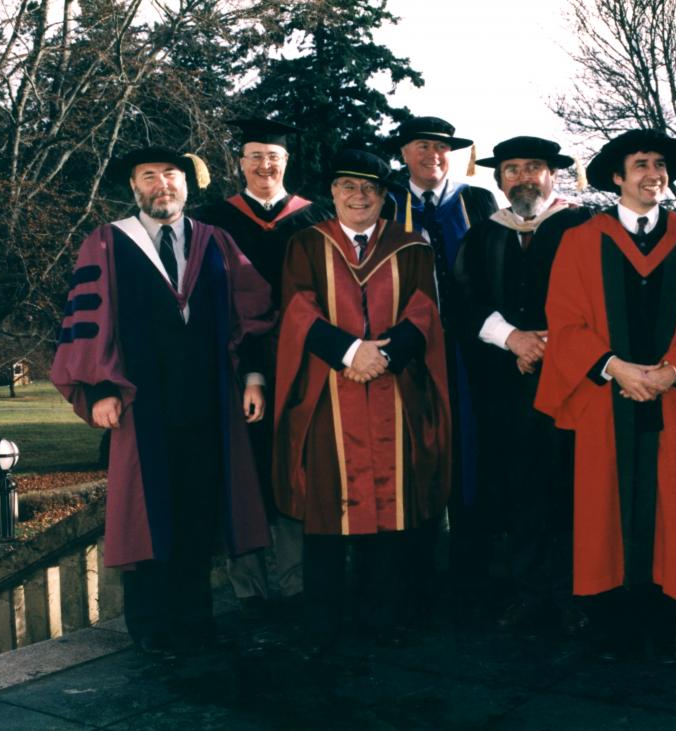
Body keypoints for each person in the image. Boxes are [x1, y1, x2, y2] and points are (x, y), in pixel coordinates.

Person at [51, 146, 272, 658]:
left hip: (208, 405)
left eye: (170, 175)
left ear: (187, 185)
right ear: (134, 188)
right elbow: (85, 321)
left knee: (199, 512)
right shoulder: (107, 243)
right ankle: (150, 627)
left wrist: (254, 378)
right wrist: (102, 389)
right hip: (141, 407)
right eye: (148, 176)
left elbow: (254, 314)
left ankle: (195, 621)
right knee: (147, 514)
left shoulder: (217, 242)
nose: (161, 185)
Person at [535, 130, 676, 663]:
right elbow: (565, 320)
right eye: (640, 164)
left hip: (674, 397)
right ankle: (609, 626)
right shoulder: (582, 239)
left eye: (660, 164)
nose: (653, 174)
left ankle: (672, 625)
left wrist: (672, 373)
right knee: (602, 508)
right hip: (605, 398)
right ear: (617, 177)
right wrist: (615, 367)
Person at [273, 149, 451, 654]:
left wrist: (384, 358)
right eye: (348, 186)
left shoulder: (411, 246)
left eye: (370, 188)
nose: (359, 196)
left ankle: (387, 617)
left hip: (395, 395)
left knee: (393, 504)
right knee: (329, 505)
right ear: (331, 192)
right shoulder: (306, 244)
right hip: (331, 392)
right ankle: (325, 621)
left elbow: (424, 311)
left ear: (383, 196)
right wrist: (350, 352)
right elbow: (298, 307)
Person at [453, 136, 591, 631]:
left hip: (574, 381)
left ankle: (578, 591)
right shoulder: (483, 234)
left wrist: (552, 342)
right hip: (505, 383)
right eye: (512, 170)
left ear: (553, 174)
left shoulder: (584, 226)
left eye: (534, 167)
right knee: (517, 484)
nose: (523, 177)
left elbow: (601, 300)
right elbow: (462, 300)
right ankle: (527, 590)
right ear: (499, 181)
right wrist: (512, 338)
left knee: (573, 483)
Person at [194, 119, 329, 619]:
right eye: (254, 156)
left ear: (286, 162)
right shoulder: (212, 220)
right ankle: (248, 588)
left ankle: (298, 582)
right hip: (233, 361)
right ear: (240, 163)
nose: (263, 165)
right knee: (241, 469)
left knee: (298, 465)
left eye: (272, 156)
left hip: (305, 363)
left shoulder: (316, 217)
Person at [384, 115, 497, 606]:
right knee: (416, 455)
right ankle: (416, 580)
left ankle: (473, 576)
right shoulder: (386, 203)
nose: (434, 154)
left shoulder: (476, 201)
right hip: (410, 353)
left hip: (473, 352)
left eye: (442, 147)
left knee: (472, 455)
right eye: (422, 146)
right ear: (404, 153)